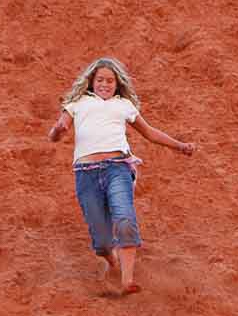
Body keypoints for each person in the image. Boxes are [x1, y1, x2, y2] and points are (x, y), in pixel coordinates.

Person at [46, 57, 196, 296]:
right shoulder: (77, 103)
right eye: (100, 80)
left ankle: (127, 280)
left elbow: (149, 132)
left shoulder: (123, 105)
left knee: (125, 217)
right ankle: (111, 260)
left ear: (117, 85)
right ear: (91, 82)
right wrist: (57, 131)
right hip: (86, 174)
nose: (105, 84)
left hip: (117, 168)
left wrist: (179, 146)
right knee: (102, 241)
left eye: (110, 81)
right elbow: (57, 132)